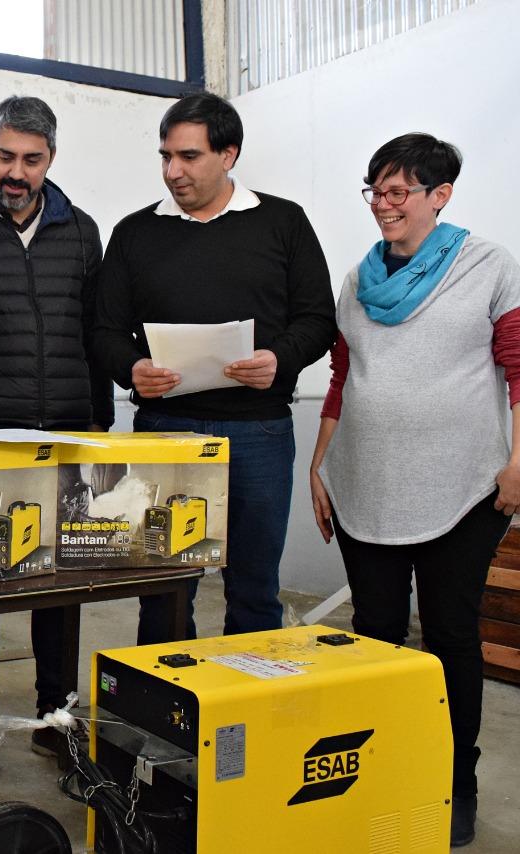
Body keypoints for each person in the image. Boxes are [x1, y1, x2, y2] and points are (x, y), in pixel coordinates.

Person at [309, 134, 520, 848]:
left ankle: (456, 783)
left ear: (440, 195)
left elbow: (519, 370)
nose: (383, 205)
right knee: (375, 638)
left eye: (398, 191)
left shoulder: (489, 266)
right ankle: (385, 774)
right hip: (365, 483)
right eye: (375, 191)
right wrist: (320, 466)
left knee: (451, 636)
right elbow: (342, 378)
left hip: (463, 489)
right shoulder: (358, 279)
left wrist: (519, 461)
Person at [94, 92, 335, 644]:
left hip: (259, 431)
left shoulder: (282, 222)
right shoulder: (135, 232)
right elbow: (103, 330)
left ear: (229, 154)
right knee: (164, 587)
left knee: (254, 588)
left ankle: (244, 690)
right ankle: (163, 693)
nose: (172, 172)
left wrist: (280, 359)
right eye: (165, 156)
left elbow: (318, 318)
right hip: (165, 433)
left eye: (189, 156)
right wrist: (132, 368)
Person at [0, 95, 113, 781]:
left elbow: (94, 332)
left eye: (32, 159)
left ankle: (56, 719)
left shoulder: (81, 231)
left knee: (61, 587)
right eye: (5, 156)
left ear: (50, 160)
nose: (17, 172)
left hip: (65, 436)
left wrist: (98, 422)